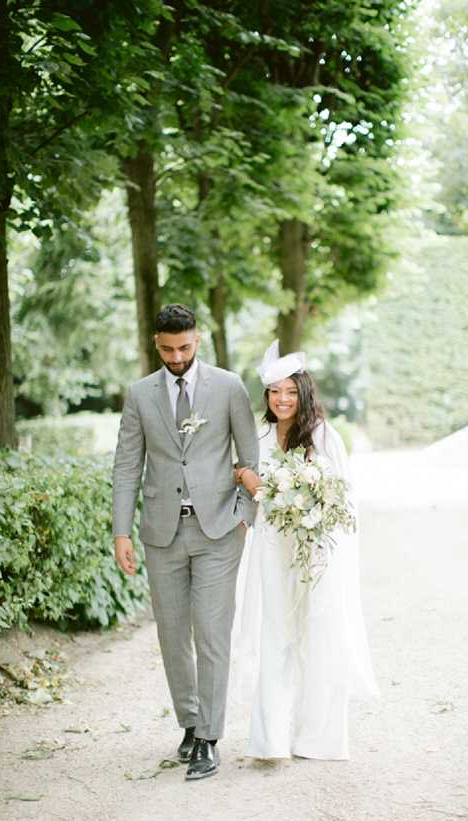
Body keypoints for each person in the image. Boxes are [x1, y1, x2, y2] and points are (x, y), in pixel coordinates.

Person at [112, 304, 258, 780]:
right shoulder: (139, 395)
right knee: (173, 637)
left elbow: (250, 457)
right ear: (156, 343)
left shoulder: (229, 387)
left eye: (186, 347)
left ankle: (211, 739)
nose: (177, 357)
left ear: (199, 339)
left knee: (211, 636)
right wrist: (120, 531)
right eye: (168, 349)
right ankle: (191, 723)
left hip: (219, 530)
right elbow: (127, 465)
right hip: (161, 533)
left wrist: (244, 516)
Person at [234, 340, 378, 761]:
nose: (282, 399)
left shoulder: (323, 435)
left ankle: (320, 738)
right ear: (266, 395)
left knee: (318, 636)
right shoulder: (258, 437)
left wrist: (256, 482)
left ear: (304, 393)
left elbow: (341, 497)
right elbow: (249, 486)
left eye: (291, 391)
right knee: (274, 634)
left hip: (315, 550)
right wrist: (245, 475)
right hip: (271, 548)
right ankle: (270, 739)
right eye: (275, 391)